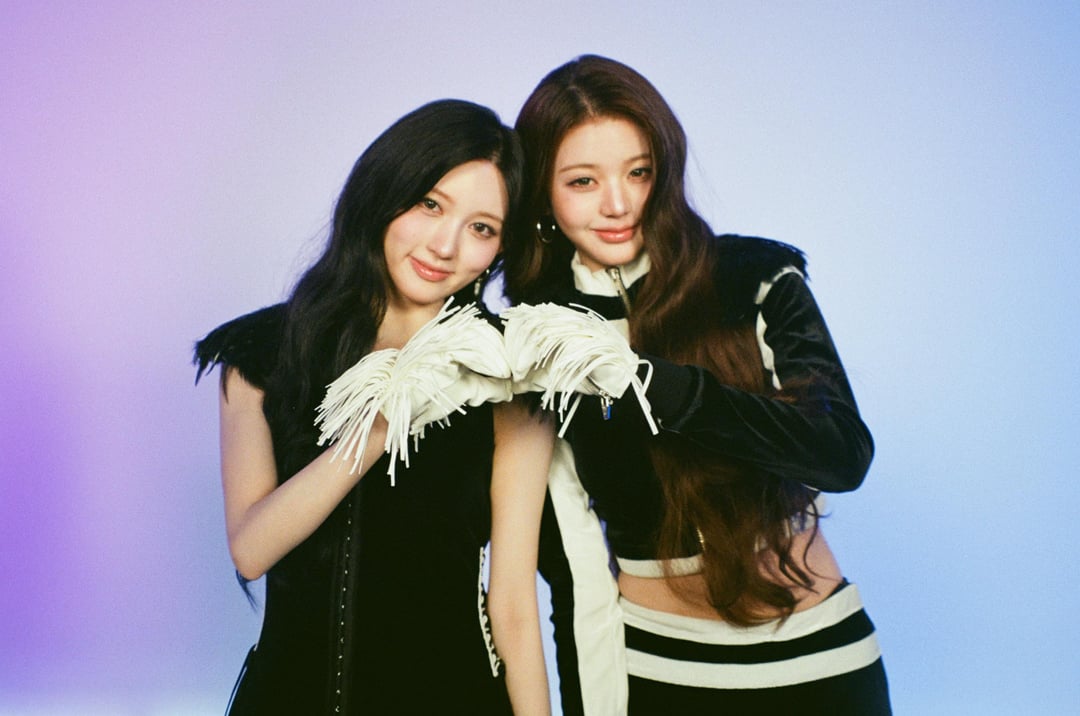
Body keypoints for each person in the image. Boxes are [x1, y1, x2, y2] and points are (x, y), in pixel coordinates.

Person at [501, 55, 891, 714]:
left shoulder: (754, 277)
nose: (618, 204)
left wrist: (664, 387)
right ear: (542, 191)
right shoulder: (539, 340)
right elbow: (576, 573)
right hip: (660, 671)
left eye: (639, 172)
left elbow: (841, 453)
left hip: (822, 662)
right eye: (582, 181)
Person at [194, 99, 552, 715]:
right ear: (383, 193)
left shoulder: (509, 377)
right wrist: (387, 418)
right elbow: (252, 550)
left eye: (481, 228)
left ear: (499, 248)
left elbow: (514, 606)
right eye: (430, 204)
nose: (445, 245)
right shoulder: (262, 353)